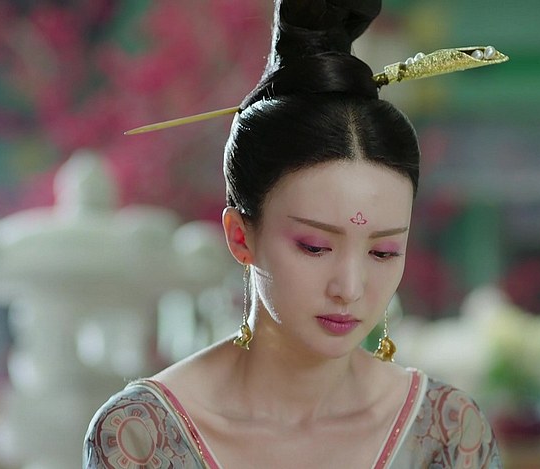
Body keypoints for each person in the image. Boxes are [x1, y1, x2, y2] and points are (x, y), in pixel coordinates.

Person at [84, 0, 505, 467]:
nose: (350, 288)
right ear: (241, 236)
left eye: (384, 252)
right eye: (315, 246)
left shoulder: (448, 433)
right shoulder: (143, 435)